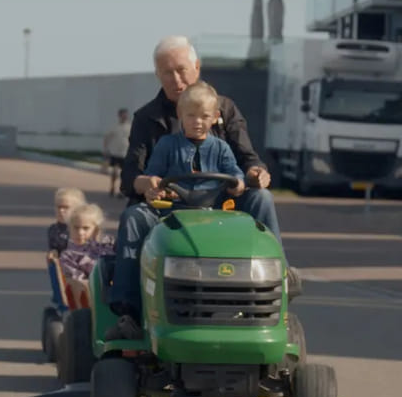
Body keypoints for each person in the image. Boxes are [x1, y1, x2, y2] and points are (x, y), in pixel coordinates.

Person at [107, 35, 292, 335]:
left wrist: (257, 174)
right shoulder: (148, 119)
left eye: (181, 69)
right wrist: (148, 183)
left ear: (197, 66)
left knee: (263, 200)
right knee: (133, 216)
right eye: (168, 72)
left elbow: (248, 160)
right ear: (158, 75)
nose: (176, 79)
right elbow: (131, 176)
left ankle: (278, 285)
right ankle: (128, 312)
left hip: (221, 201)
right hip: (169, 206)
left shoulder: (226, 109)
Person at [134, 81, 246, 204]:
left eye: (204, 116)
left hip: (213, 210)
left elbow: (234, 174)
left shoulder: (221, 148)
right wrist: (154, 187)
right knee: (134, 215)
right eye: (191, 115)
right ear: (180, 114)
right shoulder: (166, 145)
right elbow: (152, 176)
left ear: (215, 117)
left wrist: (238, 184)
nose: (197, 121)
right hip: (172, 209)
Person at [58, 203, 116, 305]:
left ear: (96, 229)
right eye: (76, 228)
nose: (80, 232)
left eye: (86, 228)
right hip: (89, 297)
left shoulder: (107, 245)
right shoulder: (68, 255)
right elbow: (78, 281)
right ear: (70, 228)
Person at [102, 108, 132, 198]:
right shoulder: (114, 127)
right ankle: (112, 187)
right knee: (114, 171)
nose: (124, 116)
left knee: (124, 173)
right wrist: (105, 149)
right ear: (119, 116)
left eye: (126, 115)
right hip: (115, 153)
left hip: (125, 153)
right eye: (123, 115)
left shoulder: (130, 127)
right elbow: (106, 138)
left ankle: (122, 191)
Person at [47, 187, 85, 256]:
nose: (61, 210)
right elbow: (53, 249)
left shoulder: (81, 230)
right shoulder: (53, 229)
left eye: (66, 207)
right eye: (59, 207)